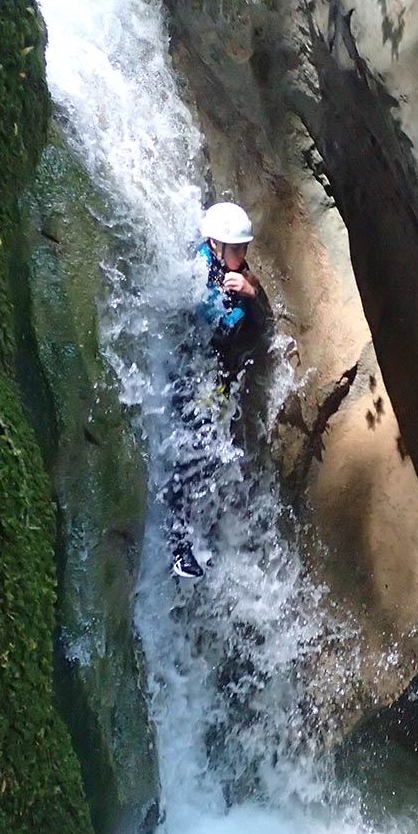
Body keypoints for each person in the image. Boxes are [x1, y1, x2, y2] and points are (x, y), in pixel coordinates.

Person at [165, 202, 264, 579]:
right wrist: (246, 300)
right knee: (191, 456)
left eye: (244, 248)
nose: (244, 255)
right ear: (215, 243)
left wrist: (249, 291)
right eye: (237, 249)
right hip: (191, 375)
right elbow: (223, 328)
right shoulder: (200, 269)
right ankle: (178, 549)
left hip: (213, 379)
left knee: (208, 457)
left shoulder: (226, 267)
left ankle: (194, 539)